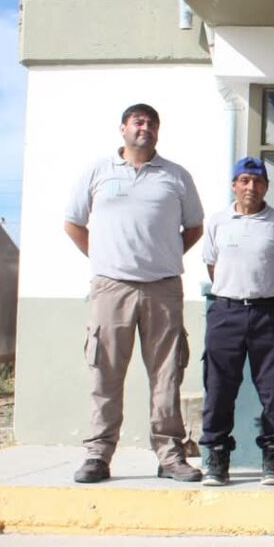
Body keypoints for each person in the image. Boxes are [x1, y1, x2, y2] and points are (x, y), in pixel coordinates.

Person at [64, 103, 204, 483]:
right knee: (105, 373)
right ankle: (98, 454)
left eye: (152, 123)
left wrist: (163, 257)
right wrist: (105, 259)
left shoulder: (176, 176)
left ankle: (170, 456)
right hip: (111, 287)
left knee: (167, 374)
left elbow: (194, 227)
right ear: (123, 128)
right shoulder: (98, 171)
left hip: (163, 288)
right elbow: (73, 223)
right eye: (138, 122)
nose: (145, 128)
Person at [200, 157, 274, 486]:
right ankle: (216, 455)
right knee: (219, 387)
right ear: (234, 185)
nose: (250, 187)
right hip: (226, 311)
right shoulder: (217, 222)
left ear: (266, 187)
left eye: (257, 182)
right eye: (244, 181)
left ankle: (272, 453)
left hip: (269, 313)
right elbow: (212, 266)